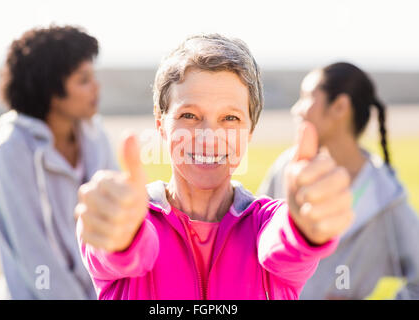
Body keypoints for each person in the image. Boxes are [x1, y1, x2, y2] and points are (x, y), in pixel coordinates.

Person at [75, 34, 354, 300]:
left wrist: (303, 227)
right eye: (189, 115)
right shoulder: (133, 218)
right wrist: (121, 234)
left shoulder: (266, 224)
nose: (209, 137)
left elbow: (283, 246)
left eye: (229, 118)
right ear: (161, 124)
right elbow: (130, 251)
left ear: (250, 131)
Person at [257, 62, 419, 299]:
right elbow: (250, 243)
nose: (296, 109)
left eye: (306, 97)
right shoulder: (287, 168)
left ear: (340, 106)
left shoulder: (387, 197)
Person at [0, 25, 118, 299]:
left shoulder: (95, 135)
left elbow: (117, 225)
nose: (96, 87)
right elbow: (33, 252)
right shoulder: (12, 149)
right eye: (83, 79)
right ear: (51, 92)